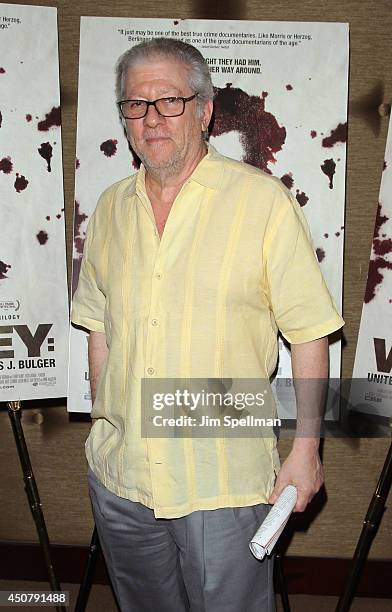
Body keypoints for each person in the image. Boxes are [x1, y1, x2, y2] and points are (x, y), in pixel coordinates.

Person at [71, 37, 344, 612]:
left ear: (205, 109)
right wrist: (104, 417)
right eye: (135, 104)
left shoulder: (263, 203)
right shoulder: (109, 209)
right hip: (121, 475)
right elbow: (98, 322)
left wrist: (306, 449)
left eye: (169, 100)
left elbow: (309, 332)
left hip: (222, 477)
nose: (152, 119)